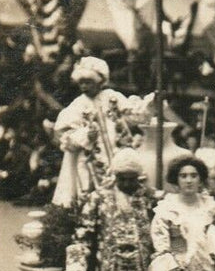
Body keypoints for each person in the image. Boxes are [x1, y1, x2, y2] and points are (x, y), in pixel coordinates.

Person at [51, 56, 151, 206]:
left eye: (89, 82)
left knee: (122, 188)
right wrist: (84, 135)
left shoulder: (112, 97)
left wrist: (149, 105)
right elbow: (64, 137)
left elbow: (134, 115)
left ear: (100, 81)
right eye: (81, 83)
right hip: (90, 159)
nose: (84, 86)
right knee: (90, 194)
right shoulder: (77, 106)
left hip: (117, 152)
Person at [61, 149, 156, 271]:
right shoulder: (99, 198)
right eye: (122, 179)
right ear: (115, 176)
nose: (127, 184)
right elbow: (83, 234)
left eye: (131, 179)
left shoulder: (149, 198)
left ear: (138, 177)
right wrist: (75, 266)